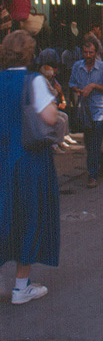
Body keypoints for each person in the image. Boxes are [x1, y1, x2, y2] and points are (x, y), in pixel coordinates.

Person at [0, 30, 60, 304]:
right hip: (29, 160)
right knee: (30, 218)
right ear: (30, 53)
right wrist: (55, 102)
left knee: (5, 218)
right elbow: (49, 117)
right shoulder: (33, 81)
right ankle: (20, 287)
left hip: (3, 158)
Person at [69, 37, 103, 188]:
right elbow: (72, 84)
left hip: (100, 108)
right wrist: (80, 90)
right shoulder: (77, 66)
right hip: (86, 109)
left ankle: (92, 175)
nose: (88, 55)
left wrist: (94, 86)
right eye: (85, 52)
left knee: (95, 141)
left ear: (96, 53)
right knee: (90, 144)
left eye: (91, 52)